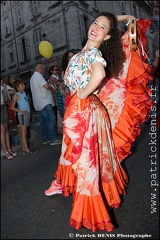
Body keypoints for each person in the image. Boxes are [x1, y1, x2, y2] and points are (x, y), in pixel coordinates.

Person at [44, 12, 140, 232]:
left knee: (86, 160)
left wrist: (82, 95)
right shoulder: (81, 53)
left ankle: (90, 207)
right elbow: (77, 80)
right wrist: (112, 19)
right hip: (77, 111)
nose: (96, 27)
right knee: (68, 151)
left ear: (107, 37)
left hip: (85, 111)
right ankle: (61, 182)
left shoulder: (94, 54)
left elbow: (97, 76)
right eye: (95, 23)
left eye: (102, 28)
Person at [30, 64, 61, 146]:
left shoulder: (32, 78)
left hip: (38, 103)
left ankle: (45, 138)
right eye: (43, 69)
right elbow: (46, 86)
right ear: (40, 69)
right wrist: (53, 89)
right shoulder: (38, 76)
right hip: (45, 102)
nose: (44, 71)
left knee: (43, 122)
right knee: (51, 120)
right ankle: (53, 139)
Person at [11, 79, 38, 156]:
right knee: (24, 132)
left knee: (25, 132)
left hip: (27, 114)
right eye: (22, 85)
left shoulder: (23, 93)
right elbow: (12, 107)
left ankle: (24, 149)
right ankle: (27, 150)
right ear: (18, 87)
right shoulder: (16, 95)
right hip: (22, 115)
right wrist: (22, 111)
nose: (24, 86)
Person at [1, 81, 17, 160]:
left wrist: (10, 90)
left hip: (3, 106)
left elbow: (5, 92)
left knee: (6, 128)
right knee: (2, 130)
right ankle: (5, 151)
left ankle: (9, 149)